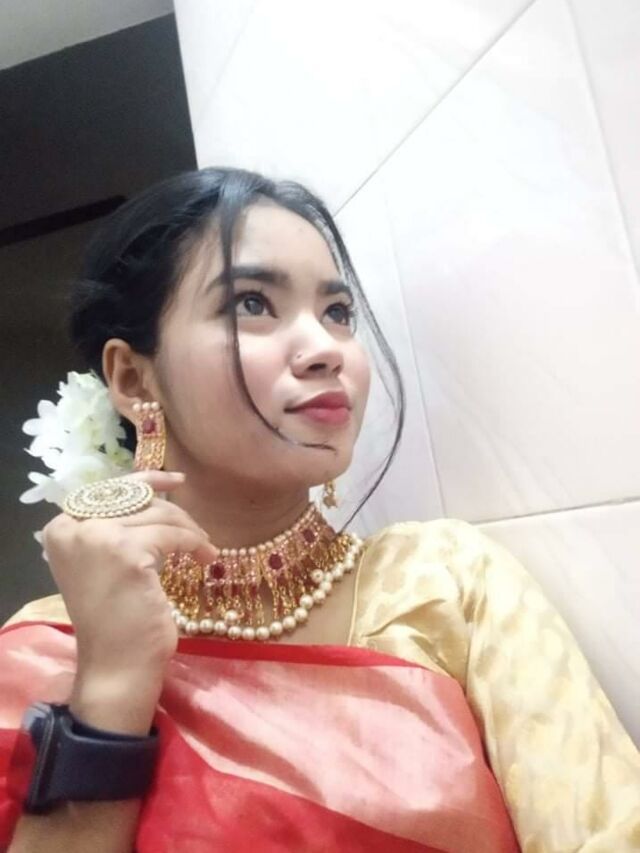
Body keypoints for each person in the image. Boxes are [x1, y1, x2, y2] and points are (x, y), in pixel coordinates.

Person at [0, 167, 638, 853]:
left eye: (337, 313)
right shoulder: (45, 652)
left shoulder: (445, 584)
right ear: (132, 378)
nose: (327, 348)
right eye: (252, 304)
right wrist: (112, 683)